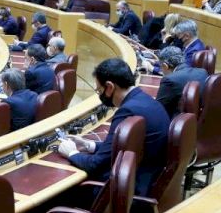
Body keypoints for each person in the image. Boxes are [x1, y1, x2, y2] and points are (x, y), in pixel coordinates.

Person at [59, 58, 169, 192]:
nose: (100, 95)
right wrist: (88, 145)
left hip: (128, 189)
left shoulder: (127, 111)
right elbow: (127, 147)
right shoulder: (148, 101)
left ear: (110, 87)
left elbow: (95, 165)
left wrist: (72, 153)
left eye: (99, 91)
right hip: (149, 180)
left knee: (62, 190)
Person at [154, 45, 208, 117]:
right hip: (199, 118)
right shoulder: (203, 72)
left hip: (177, 120)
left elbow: (158, 110)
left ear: (165, 66)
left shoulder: (170, 80)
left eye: (161, 67)